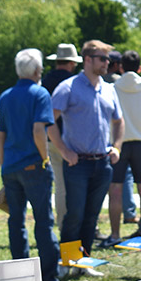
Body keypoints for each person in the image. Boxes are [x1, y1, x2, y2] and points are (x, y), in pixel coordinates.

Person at [0, 49, 73, 281]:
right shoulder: (40, 94)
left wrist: (3, 163)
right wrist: (45, 159)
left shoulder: (6, 96)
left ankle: (20, 280)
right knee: (43, 222)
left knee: (16, 222)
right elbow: (39, 130)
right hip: (33, 166)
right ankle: (48, 280)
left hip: (11, 167)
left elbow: (1, 135)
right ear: (38, 71)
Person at [50, 40, 124, 257]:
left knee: (92, 215)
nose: (107, 63)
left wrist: (117, 147)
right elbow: (48, 121)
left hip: (103, 163)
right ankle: (70, 261)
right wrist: (64, 150)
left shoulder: (109, 89)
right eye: (102, 58)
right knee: (74, 215)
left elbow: (119, 121)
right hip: (77, 163)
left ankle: (84, 260)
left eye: (108, 59)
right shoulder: (68, 87)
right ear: (88, 60)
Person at [102, 50, 141, 245]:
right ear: (140, 68)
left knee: (115, 190)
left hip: (118, 143)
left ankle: (115, 235)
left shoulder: (111, 89)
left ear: (121, 67)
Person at [43, 43, 82, 227]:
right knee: (76, 187)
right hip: (71, 139)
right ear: (72, 63)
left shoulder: (45, 80)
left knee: (59, 187)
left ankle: (61, 223)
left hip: (50, 137)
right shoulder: (74, 83)